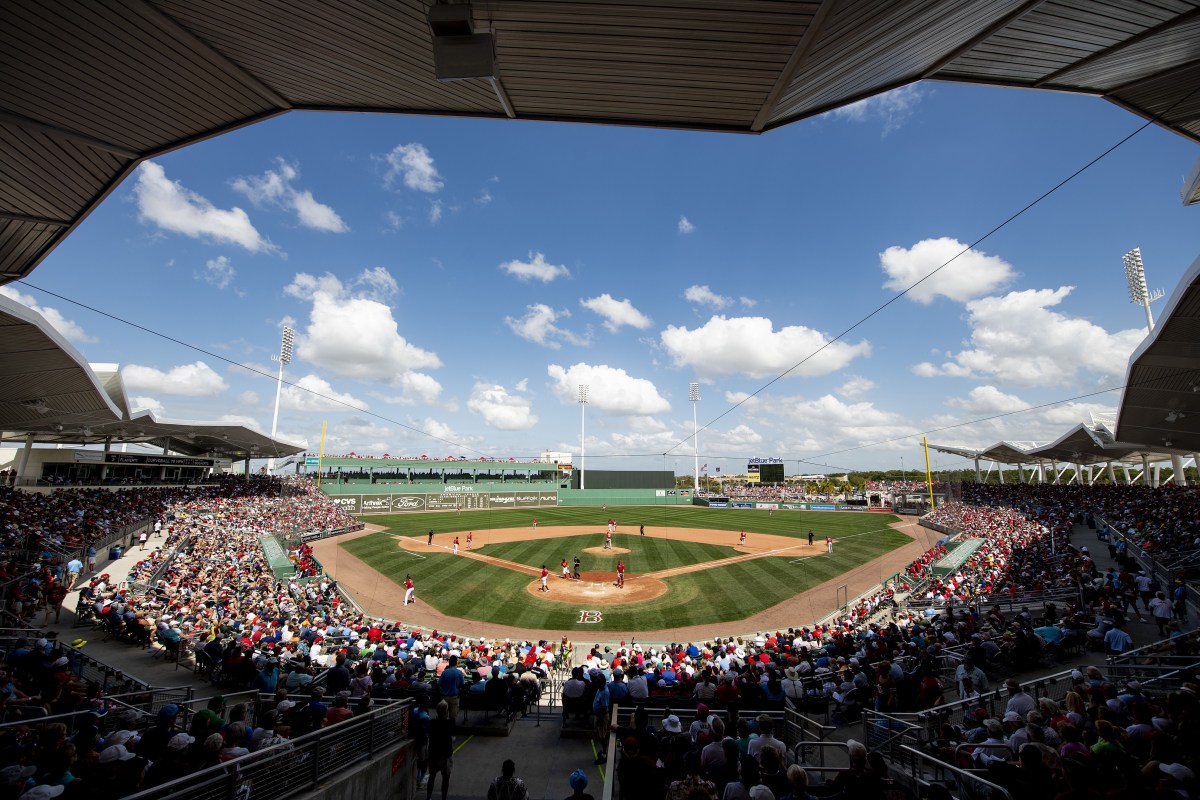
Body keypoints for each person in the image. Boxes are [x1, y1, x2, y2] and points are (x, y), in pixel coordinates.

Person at [426, 701, 453, 800]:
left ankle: (428, 797)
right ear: (446, 712)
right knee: (445, 779)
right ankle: (443, 798)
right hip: (445, 756)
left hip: (433, 754)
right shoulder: (448, 724)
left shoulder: (432, 723)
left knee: (431, 777)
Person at [438, 655, 465, 725]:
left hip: (445, 697)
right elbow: (462, 684)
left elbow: (439, 684)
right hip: (454, 697)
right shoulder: (459, 673)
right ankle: (451, 734)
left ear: (449, 662)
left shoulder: (444, 672)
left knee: (443, 717)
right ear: (456, 662)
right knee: (453, 718)